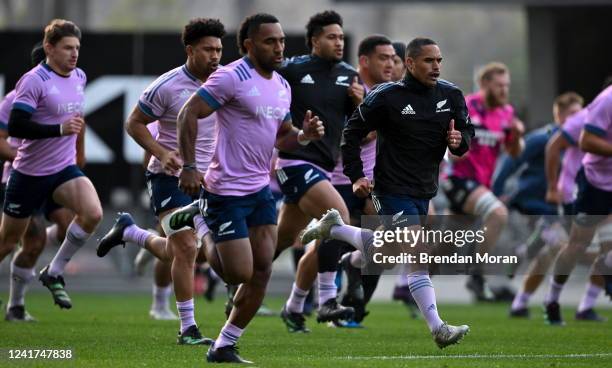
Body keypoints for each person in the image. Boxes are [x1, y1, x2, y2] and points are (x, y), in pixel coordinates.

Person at [166, 13, 323, 363]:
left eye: (282, 40)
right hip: (223, 191)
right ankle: (201, 219)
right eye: (270, 41)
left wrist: (304, 136)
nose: (279, 47)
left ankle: (224, 344)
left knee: (262, 270)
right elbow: (187, 114)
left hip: (260, 192)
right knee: (238, 272)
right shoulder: (231, 76)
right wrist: (190, 166)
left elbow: (283, 137)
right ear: (250, 45)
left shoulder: (282, 86)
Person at [302, 37, 472, 348]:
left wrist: (459, 141)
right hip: (391, 188)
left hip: (424, 190)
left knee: (389, 254)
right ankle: (438, 328)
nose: (436, 66)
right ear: (409, 63)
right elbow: (350, 135)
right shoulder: (386, 96)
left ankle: (338, 233)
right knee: (417, 252)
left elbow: (465, 134)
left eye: (439, 61)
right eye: (428, 61)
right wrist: (356, 176)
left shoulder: (451, 94)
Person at [96, 18, 225, 343]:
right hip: (171, 177)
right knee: (185, 248)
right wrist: (162, 153)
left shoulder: (225, 81)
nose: (215, 56)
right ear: (190, 50)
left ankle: (131, 232)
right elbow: (134, 123)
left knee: (204, 252)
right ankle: (188, 328)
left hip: (212, 179)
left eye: (219, 49)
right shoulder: (167, 85)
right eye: (208, 49)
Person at [0, 19, 103, 311]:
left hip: (61, 170)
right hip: (28, 174)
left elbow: (78, 121)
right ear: (49, 48)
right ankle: (17, 303)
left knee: (92, 213)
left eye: (77, 48)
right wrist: (58, 130)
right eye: (67, 48)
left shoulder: (79, 76)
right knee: (8, 243)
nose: (74, 54)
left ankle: (54, 271)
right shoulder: (34, 80)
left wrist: (77, 152)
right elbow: (18, 126)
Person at [275, 10, 363, 333]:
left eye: (341, 37)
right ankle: (327, 299)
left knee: (281, 241)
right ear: (314, 41)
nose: (339, 42)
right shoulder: (292, 70)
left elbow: (362, 132)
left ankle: (283, 303)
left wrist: (359, 103)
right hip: (293, 162)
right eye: (331, 37)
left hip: (324, 168)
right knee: (337, 216)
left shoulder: (350, 76)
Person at [0, 42, 78, 321]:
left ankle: (41, 283)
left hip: (54, 175)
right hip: (24, 176)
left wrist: (73, 162)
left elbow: (78, 127)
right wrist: (24, 154)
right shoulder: (16, 99)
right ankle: (17, 305)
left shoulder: (71, 88)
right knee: (18, 242)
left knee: (72, 223)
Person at [442, 62, 524, 301]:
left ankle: (407, 285)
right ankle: (476, 276)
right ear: (485, 84)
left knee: (443, 248)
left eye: (507, 85)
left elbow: (514, 152)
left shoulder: (507, 112)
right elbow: (452, 147)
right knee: (498, 214)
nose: (504, 90)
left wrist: (517, 136)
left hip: (480, 184)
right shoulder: (466, 105)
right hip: (457, 180)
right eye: (499, 85)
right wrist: (457, 147)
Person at [331, 34, 395, 325]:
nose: (390, 64)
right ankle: (309, 305)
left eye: (393, 59)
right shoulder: (348, 87)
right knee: (319, 242)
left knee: (388, 247)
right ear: (364, 61)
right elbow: (361, 135)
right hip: (339, 179)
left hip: (373, 181)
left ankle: (353, 305)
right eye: (384, 58)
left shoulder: (385, 93)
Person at [543, 84, 612, 325]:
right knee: (577, 245)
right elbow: (582, 141)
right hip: (594, 185)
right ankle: (551, 299)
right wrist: (552, 187)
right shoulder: (606, 100)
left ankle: (587, 306)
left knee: (610, 251)